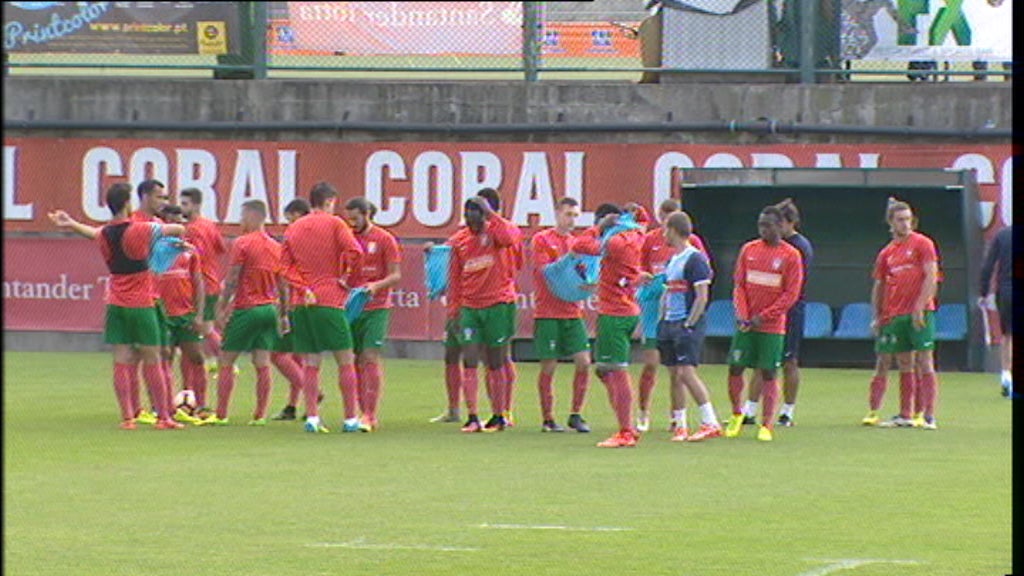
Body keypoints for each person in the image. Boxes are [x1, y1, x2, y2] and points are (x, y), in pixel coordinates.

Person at [48, 183, 186, 430]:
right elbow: (177, 228)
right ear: (127, 204)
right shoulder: (141, 229)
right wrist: (170, 228)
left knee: (121, 359)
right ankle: (164, 417)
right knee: (153, 358)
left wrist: (70, 224)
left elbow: (92, 233)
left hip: (115, 302)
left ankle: (127, 418)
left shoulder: (105, 234)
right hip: (141, 303)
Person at [281, 182, 366, 433]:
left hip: (302, 302)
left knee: (311, 361)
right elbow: (355, 252)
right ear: (329, 201)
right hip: (329, 298)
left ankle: (312, 418)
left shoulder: (294, 228)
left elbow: (284, 267)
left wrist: (302, 287)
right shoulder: (335, 223)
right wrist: (347, 280)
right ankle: (350, 418)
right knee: (345, 359)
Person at [201, 200, 289, 426]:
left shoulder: (242, 243)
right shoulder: (276, 247)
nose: (241, 221)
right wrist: (284, 314)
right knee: (262, 361)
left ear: (253, 216)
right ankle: (260, 415)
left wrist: (221, 306)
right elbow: (283, 285)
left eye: (243, 216)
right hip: (269, 309)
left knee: (226, 359)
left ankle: (221, 414)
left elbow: (232, 278)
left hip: (248, 308)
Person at [571, 202, 649, 448]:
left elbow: (579, 245)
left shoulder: (614, 243)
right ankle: (626, 424)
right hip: (628, 309)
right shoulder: (636, 235)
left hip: (614, 312)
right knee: (605, 369)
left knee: (616, 370)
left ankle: (626, 431)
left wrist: (598, 228)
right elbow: (644, 220)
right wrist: (636, 209)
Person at [723, 205, 803, 442]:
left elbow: (790, 295)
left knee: (769, 372)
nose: (763, 230)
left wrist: (764, 316)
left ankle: (767, 424)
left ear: (780, 226)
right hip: (746, 324)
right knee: (735, 367)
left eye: (768, 225)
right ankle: (737, 413)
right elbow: (739, 285)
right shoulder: (748, 250)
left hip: (771, 326)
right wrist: (743, 314)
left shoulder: (791, 255)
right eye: (760, 225)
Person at [448, 196, 523, 432]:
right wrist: (454, 310)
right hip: (470, 307)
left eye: (477, 214)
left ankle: (499, 414)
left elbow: (510, 237)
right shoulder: (459, 241)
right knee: (469, 359)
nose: (471, 220)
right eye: (468, 214)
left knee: (496, 361)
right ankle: (472, 416)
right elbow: (455, 278)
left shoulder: (496, 234)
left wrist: (491, 214)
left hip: (498, 305)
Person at [636, 198, 710, 432]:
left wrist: (689, 323)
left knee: (682, 372)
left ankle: (697, 420)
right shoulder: (653, 241)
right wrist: (649, 281)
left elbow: (701, 284)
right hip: (658, 312)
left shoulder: (693, 249)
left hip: (681, 318)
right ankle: (647, 414)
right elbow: (643, 271)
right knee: (655, 365)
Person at [871, 198, 941, 429]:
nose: (905, 224)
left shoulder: (923, 244)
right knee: (904, 362)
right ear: (890, 222)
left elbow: (931, 277)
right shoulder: (887, 253)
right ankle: (905, 413)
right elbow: (879, 286)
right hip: (896, 314)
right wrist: (878, 315)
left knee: (925, 360)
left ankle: (929, 415)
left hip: (920, 312)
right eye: (900, 220)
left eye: (908, 219)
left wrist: (920, 306)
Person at [744, 198, 813, 427]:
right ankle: (750, 410)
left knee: (789, 361)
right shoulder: (762, 248)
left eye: (777, 224)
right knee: (761, 362)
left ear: (789, 223)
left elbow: (793, 288)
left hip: (791, 312)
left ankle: (787, 412)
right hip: (765, 312)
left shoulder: (798, 248)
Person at [657, 211, 721, 442]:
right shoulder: (672, 260)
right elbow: (667, 292)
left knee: (687, 372)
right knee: (675, 374)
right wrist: (663, 319)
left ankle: (710, 421)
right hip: (670, 323)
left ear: (674, 230)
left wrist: (689, 324)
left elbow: (701, 297)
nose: (663, 234)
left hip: (686, 324)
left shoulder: (695, 259)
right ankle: (680, 424)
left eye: (665, 229)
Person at [530, 197, 592, 433]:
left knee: (584, 362)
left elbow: (583, 276)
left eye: (576, 216)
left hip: (573, 312)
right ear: (557, 213)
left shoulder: (576, 243)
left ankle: (576, 414)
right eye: (568, 214)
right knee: (549, 366)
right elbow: (547, 272)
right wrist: (571, 258)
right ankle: (548, 418)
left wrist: (589, 283)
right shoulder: (542, 240)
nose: (572, 220)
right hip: (548, 312)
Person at [344, 197, 403, 431]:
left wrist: (375, 286)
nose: (352, 223)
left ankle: (370, 414)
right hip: (350, 307)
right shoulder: (346, 238)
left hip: (377, 307)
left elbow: (395, 275)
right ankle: (359, 410)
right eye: (349, 219)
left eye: (356, 218)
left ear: (367, 214)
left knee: (370, 357)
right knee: (354, 359)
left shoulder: (384, 239)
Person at [154, 204, 208, 425]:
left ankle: (200, 404)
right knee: (163, 359)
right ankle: (164, 406)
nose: (179, 226)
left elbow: (198, 282)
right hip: (163, 313)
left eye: (182, 222)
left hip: (185, 313)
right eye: (173, 222)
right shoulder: (155, 250)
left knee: (196, 357)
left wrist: (199, 315)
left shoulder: (189, 251)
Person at [477, 187, 523, 426]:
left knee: (500, 355)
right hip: (479, 301)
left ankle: (505, 410)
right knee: (488, 357)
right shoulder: (477, 231)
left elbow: (508, 242)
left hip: (501, 300)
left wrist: (491, 215)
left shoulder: (506, 227)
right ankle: (497, 409)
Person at [270, 198, 318, 421]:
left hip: (297, 303)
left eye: (290, 219)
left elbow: (285, 276)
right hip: (313, 302)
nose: (289, 224)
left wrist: (283, 310)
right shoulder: (316, 239)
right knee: (299, 357)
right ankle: (293, 405)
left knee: (279, 355)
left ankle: (312, 394)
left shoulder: (295, 239)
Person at [179, 188, 229, 375]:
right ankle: (221, 362)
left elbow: (193, 255)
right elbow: (221, 248)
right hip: (212, 282)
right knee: (205, 327)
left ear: (196, 205)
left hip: (201, 285)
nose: (182, 208)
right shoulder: (209, 225)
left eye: (185, 204)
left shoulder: (192, 229)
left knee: (203, 328)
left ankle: (226, 362)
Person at [427, 239, 466, 424]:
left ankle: (500, 412)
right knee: (451, 356)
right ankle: (453, 410)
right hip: (455, 309)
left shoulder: (488, 240)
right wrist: (431, 251)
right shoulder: (459, 239)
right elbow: (441, 254)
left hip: (474, 308)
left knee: (487, 358)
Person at [979, 224, 1013, 397]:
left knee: (1007, 336)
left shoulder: (1003, 234)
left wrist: (983, 292)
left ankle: (1006, 376)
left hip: (1006, 292)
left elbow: (988, 265)